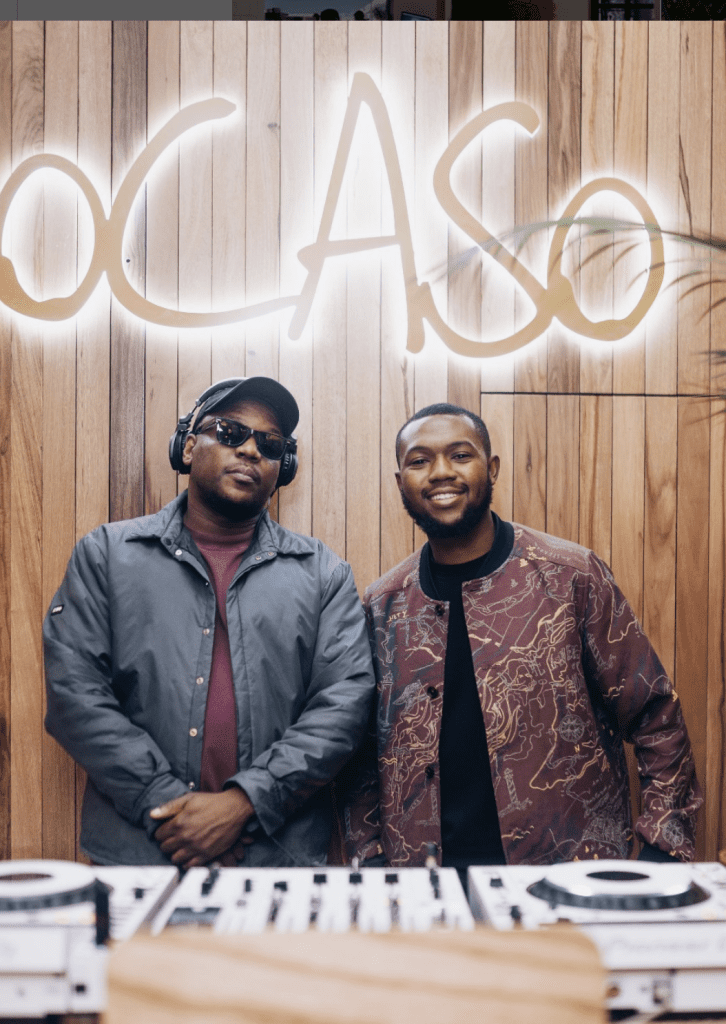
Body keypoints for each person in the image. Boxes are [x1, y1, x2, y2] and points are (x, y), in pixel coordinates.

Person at [344, 403, 702, 870]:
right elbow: (362, 756)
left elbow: (656, 716)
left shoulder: (572, 576)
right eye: (419, 460)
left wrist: (661, 850)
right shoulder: (383, 605)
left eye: (460, 455)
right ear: (400, 482)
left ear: (491, 468)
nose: (441, 472)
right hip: (422, 882)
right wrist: (370, 860)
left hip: (565, 876)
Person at [45, 376, 375, 868]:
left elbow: (344, 704)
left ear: (282, 468)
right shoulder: (107, 556)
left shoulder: (323, 573)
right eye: (229, 432)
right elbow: (75, 694)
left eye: (270, 444)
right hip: (140, 854)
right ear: (187, 445)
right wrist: (172, 810)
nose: (249, 450)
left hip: (274, 859)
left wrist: (243, 805)